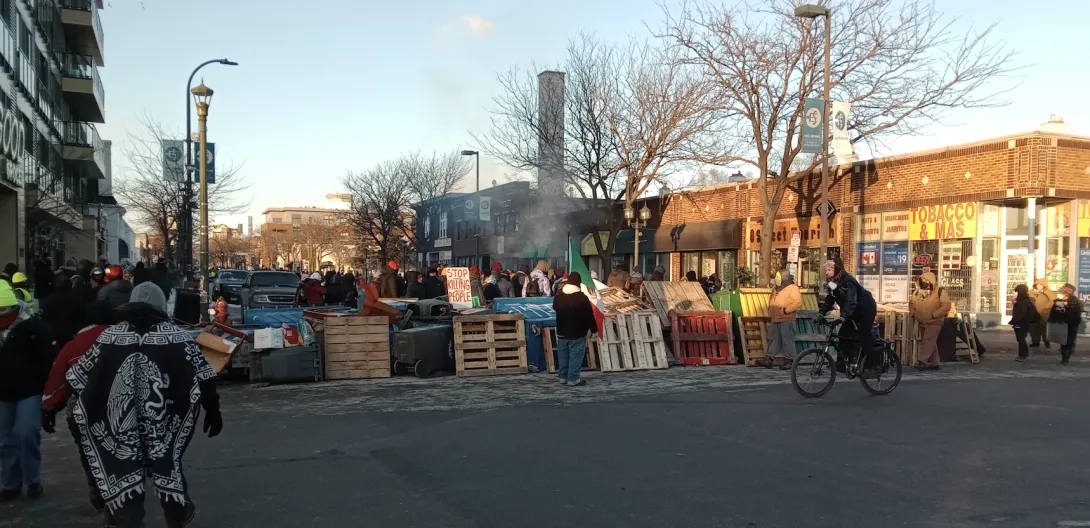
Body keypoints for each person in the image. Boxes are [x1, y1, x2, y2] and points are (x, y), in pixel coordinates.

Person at [65, 282, 222, 526]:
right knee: (167, 464)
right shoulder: (176, 337)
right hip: (165, 423)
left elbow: (78, 378)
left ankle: (128, 517)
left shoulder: (110, 336)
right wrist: (213, 410)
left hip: (116, 430)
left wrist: (58, 407)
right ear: (161, 306)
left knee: (123, 473)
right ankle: (175, 514)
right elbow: (204, 376)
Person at [41, 301, 116, 513]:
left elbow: (59, 382)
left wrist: (49, 408)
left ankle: (96, 486)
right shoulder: (127, 339)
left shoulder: (74, 345)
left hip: (85, 409)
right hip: (122, 407)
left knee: (88, 450)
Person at [0, 281, 56, 502]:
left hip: (29, 389)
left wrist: (47, 386)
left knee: (26, 432)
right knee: (5, 439)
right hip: (3, 391)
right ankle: (10, 483)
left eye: (3, 309)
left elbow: (50, 356)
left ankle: (33, 480)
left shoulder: (34, 327)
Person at [817, 258, 880, 376]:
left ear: (837, 269)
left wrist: (843, 316)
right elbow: (831, 298)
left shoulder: (848, 280)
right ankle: (845, 362)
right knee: (843, 335)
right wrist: (821, 313)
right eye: (826, 269)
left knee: (863, 335)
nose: (827, 272)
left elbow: (851, 301)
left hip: (865, 308)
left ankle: (874, 365)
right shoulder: (832, 282)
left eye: (830, 269)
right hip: (852, 310)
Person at [552, 272, 597, 386]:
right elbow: (589, 316)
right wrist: (594, 330)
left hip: (561, 331)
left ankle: (563, 377)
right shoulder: (581, 298)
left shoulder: (559, 296)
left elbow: (554, 307)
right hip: (577, 332)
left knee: (563, 356)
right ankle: (573, 379)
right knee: (575, 356)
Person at [759, 271, 801, 370]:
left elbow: (797, 302)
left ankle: (790, 361)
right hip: (775, 318)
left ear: (784, 278)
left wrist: (786, 311)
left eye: (778, 277)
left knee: (787, 340)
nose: (776, 279)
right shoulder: (775, 288)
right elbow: (771, 300)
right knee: (773, 339)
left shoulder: (793, 288)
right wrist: (770, 310)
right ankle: (769, 359)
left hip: (787, 319)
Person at [909, 272, 951, 371]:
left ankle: (922, 362)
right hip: (922, 322)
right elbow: (911, 303)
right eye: (923, 280)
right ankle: (935, 363)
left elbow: (946, 306)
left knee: (927, 341)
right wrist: (913, 313)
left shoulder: (940, 292)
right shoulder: (917, 292)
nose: (924, 282)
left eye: (927, 280)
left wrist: (934, 314)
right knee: (930, 342)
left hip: (935, 322)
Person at [1050, 283, 1082, 366]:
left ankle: (1067, 357)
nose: (1060, 293)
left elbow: (1075, 313)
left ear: (1067, 293)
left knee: (1070, 341)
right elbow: (1054, 311)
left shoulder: (1074, 301)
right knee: (1063, 341)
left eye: (1063, 292)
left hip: (1072, 324)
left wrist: (1065, 306)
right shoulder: (1059, 300)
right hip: (1062, 323)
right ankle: (1064, 358)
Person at [1010, 284, 1037, 362]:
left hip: (1022, 323)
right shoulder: (1022, 300)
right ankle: (1024, 354)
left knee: (1021, 338)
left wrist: (1015, 321)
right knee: (1020, 338)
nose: (1016, 293)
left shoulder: (1024, 301)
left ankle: (1023, 355)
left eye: (1017, 292)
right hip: (1021, 323)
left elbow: (1021, 313)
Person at [1030, 278, 1055, 349]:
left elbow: (1053, 300)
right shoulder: (1031, 291)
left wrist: (1046, 307)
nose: (1039, 286)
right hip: (1034, 313)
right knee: (1034, 328)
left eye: (1041, 284)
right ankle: (1035, 342)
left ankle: (1046, 341)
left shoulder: (1048, 292)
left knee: (1044, 328)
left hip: (1045, 313)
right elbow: (1028, 298)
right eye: (1037, 284)